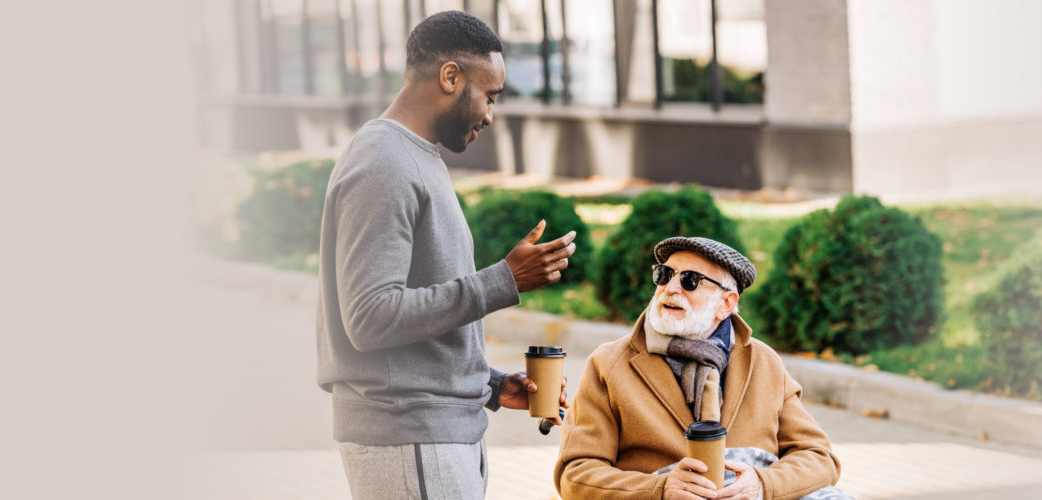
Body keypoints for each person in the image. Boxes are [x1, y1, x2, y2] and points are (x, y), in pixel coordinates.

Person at [316, 10, 576, 499]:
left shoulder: (415, 155)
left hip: (435, 435)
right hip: (410, 438)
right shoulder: (383, 163)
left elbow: (415, 306)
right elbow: (369, 317)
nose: (491, 114)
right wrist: (504, 280)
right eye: (490, 95)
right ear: (450, 76)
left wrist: (489, 385)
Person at [555, 237, 845, 500]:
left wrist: (763, 484)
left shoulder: (763, 361)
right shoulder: (609, 363)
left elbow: (819, 457)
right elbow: (575, 473)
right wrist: (659, 490)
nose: (670, 288)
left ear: (726, 304)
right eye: (664, 275)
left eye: (690, 280)